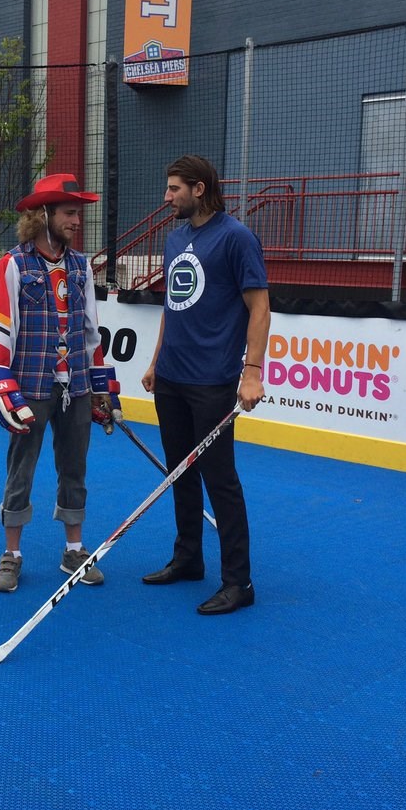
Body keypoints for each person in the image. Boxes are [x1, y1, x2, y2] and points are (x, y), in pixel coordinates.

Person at [140, 155, 269, 615]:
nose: (167, 196)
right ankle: (188, 558)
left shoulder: (236, 238)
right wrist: (157, 361)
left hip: (213, 381)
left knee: (221, 481)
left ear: (198, 188)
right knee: (179, 473)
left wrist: (251, 372)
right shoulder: (176, 238)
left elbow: (259, 308)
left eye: (174, 188)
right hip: (172, 377)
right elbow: (172, 305)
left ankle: (239, 582)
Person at [0, 172, 120, 592]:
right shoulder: (14, 265)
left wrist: (102, 390)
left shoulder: (81, 267)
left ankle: (74, 550)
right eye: (69, 213)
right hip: (31, 387)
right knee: (20, 470)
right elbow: (1, 334)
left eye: (78, 213)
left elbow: (92, 332)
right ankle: (12, 554)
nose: (78, 221)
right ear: (43, 215)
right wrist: (4, 389)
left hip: (76, 386)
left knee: (74, 468)